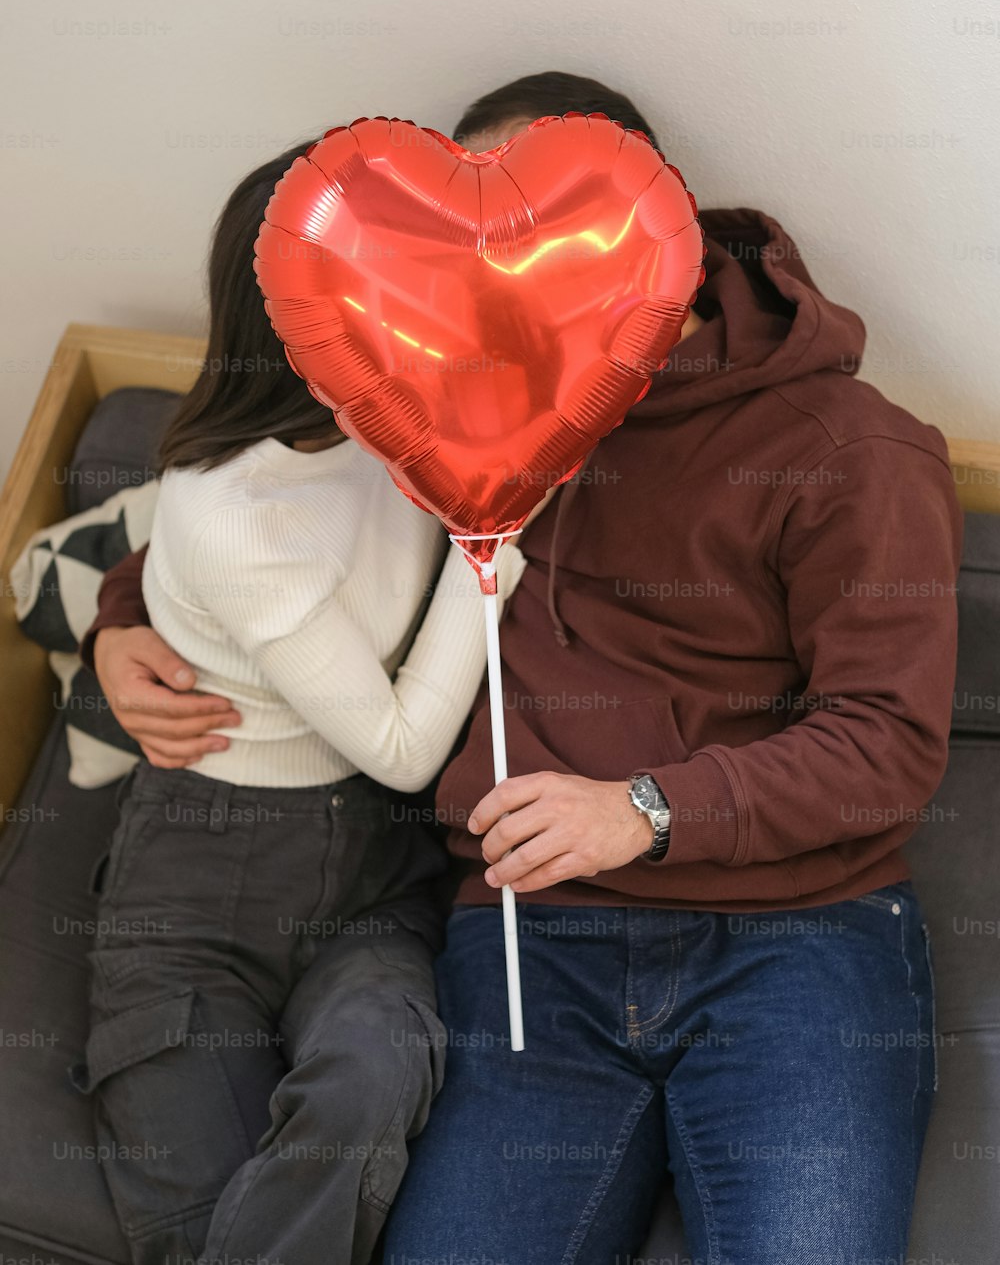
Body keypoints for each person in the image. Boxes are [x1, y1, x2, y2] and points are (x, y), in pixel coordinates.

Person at [88, 72, 962, 1263]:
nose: (506, 294)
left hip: (795, 939)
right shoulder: (450, 398)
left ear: (659, 235)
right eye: (473, 258)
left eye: (544, 247)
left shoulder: (851, 454)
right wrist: (122, 614)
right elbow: (262, 508)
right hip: (525, 942)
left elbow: (888, 745)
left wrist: (642, 811)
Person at [72, 138, 525, 1265]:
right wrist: (493, 556)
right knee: (203, 1222)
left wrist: (120, 620)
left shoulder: (418, 411)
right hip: (204, 877)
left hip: (373, 873)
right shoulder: (230, 504)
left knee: (377, 1065)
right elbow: (402, 748)